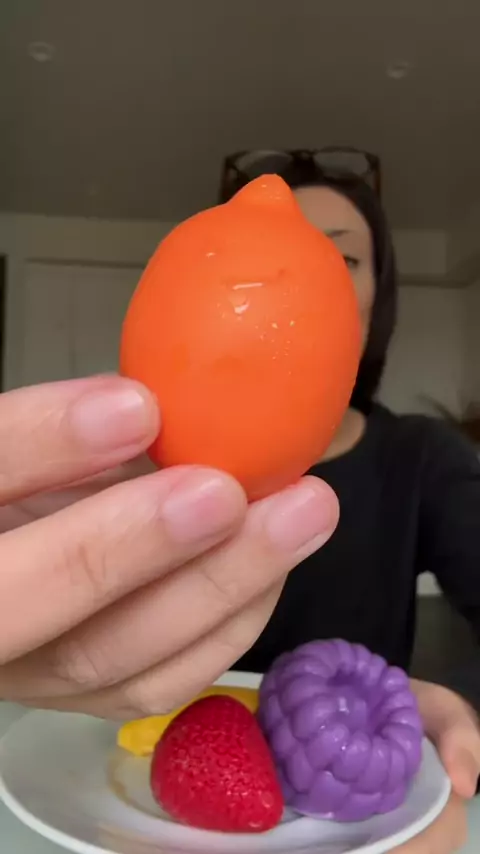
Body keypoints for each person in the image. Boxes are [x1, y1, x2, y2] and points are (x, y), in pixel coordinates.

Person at [220, 149, 480, 853]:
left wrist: (456, 703)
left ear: (376, 302)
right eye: (277, 256)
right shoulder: (167, 462)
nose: (307, 280)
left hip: (355, 827)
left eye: (341, 259)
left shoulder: (422, 458)